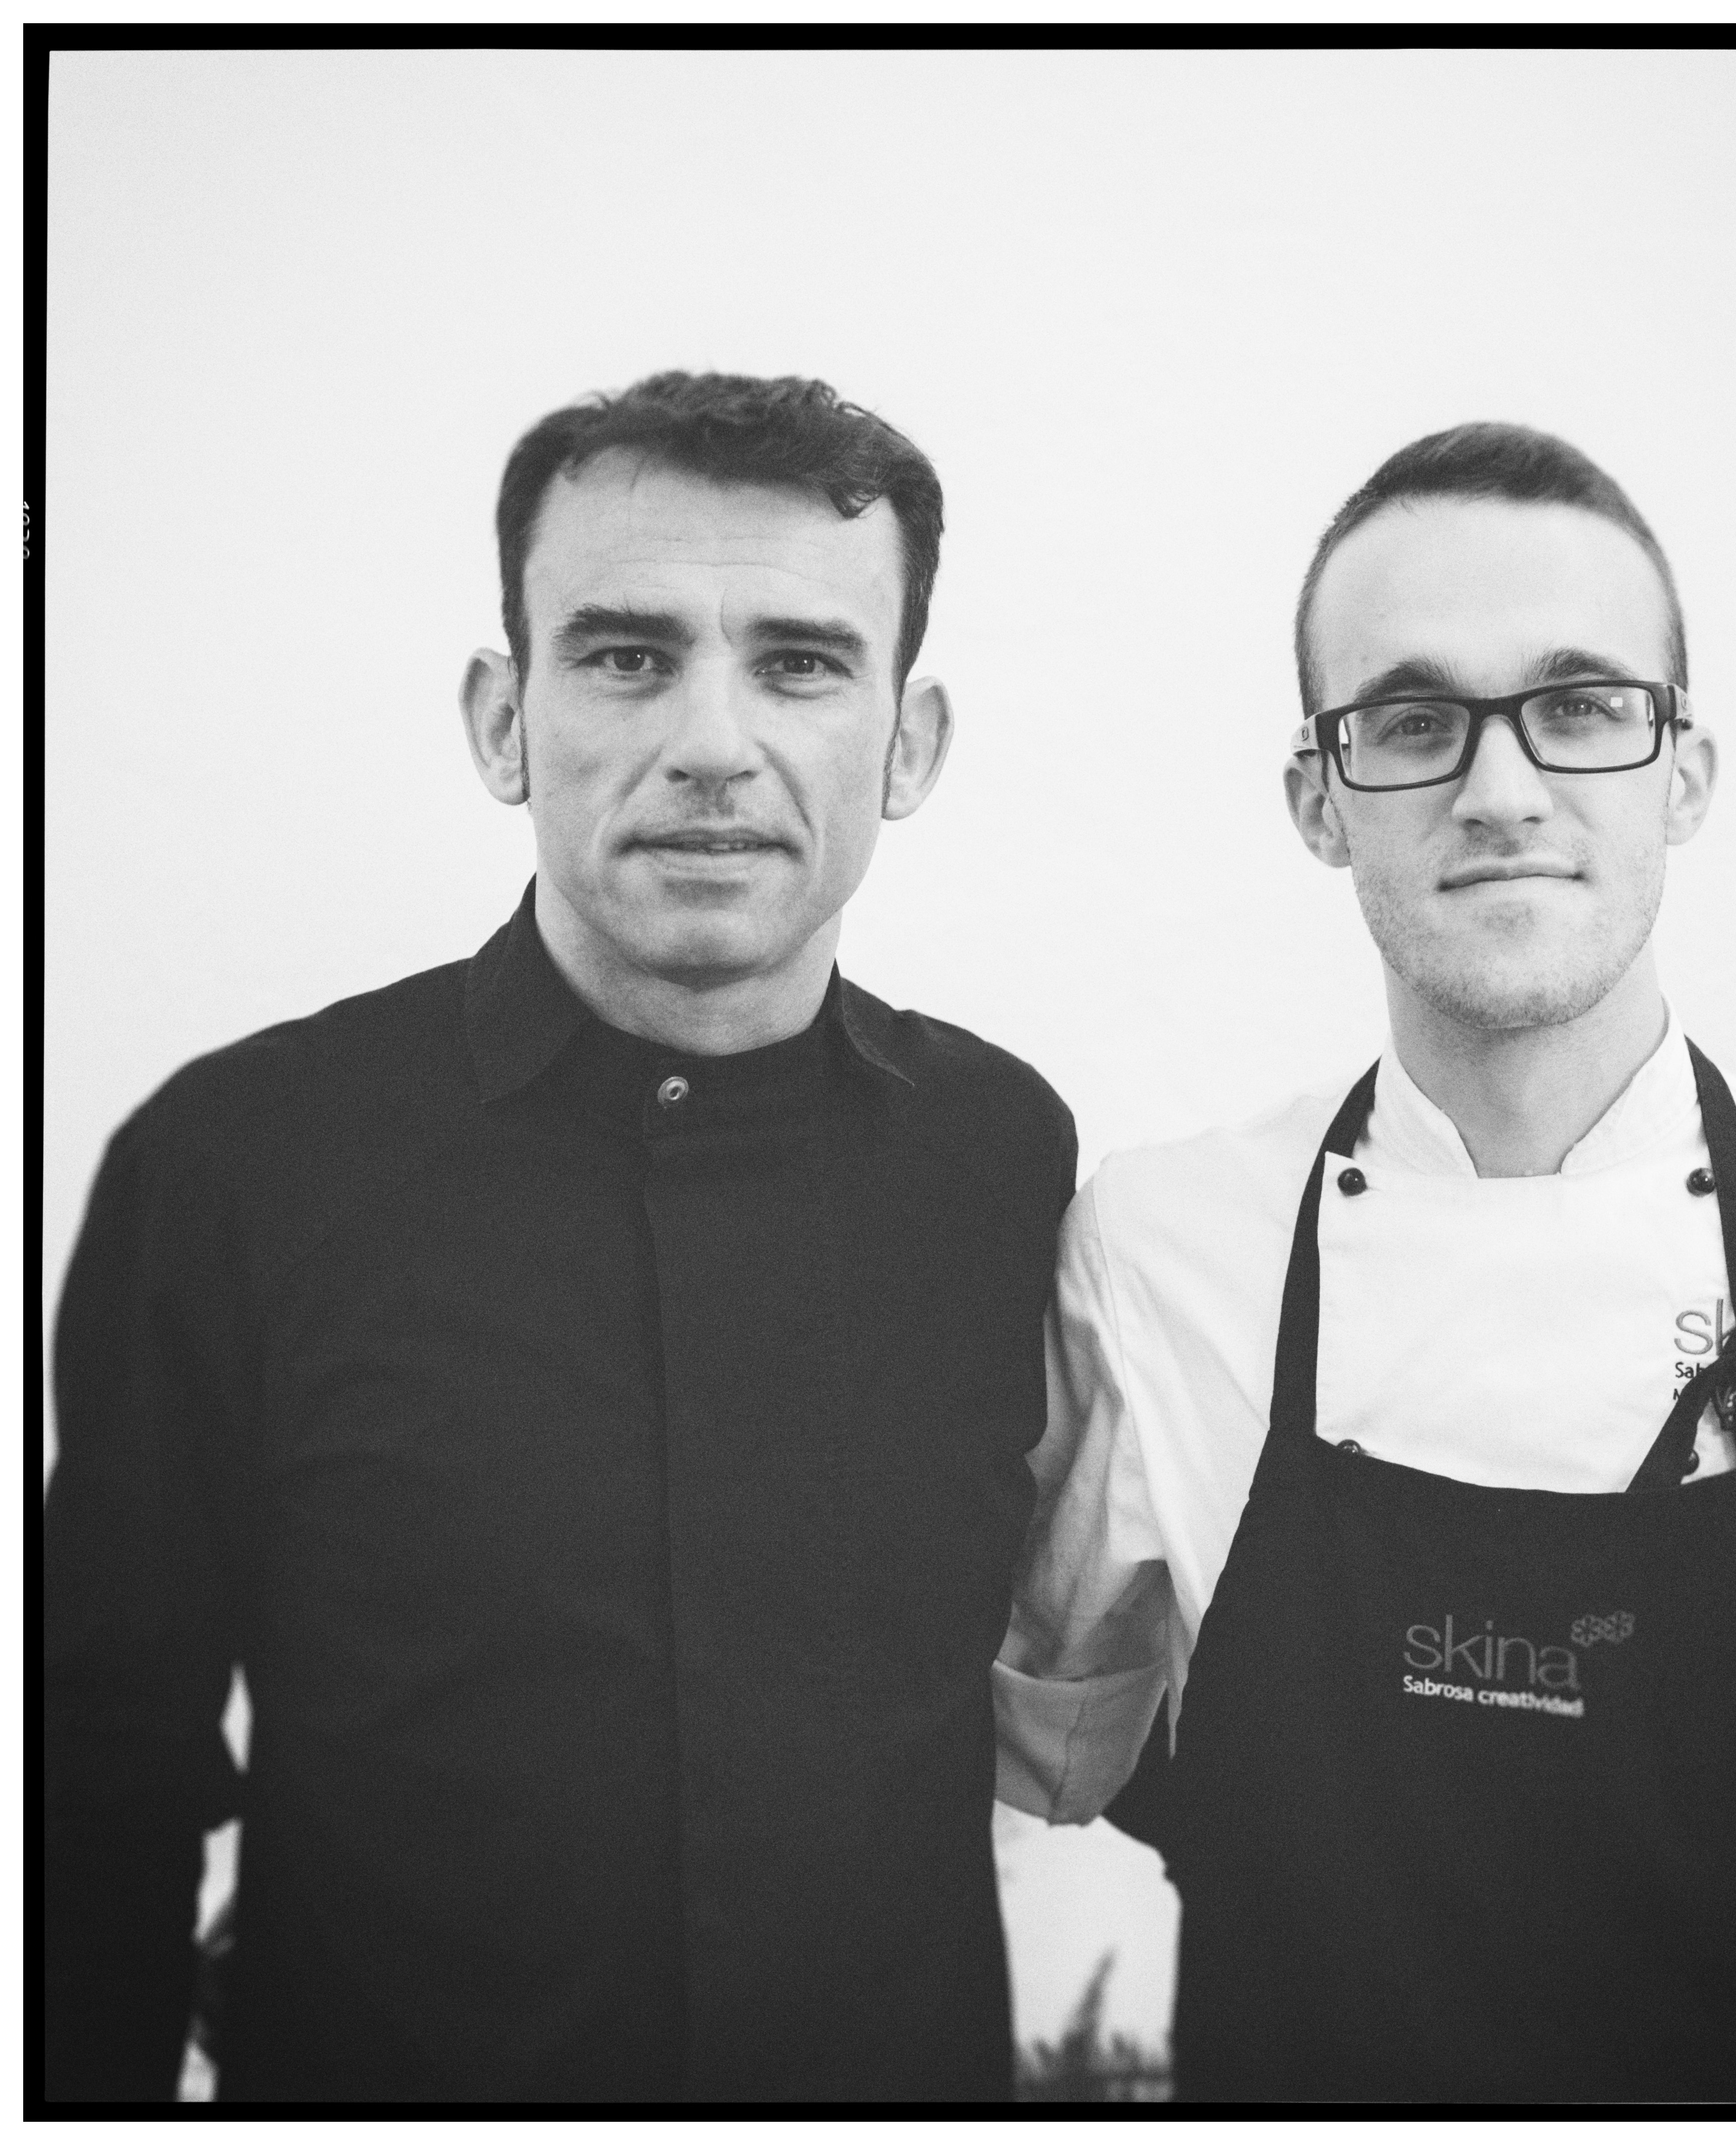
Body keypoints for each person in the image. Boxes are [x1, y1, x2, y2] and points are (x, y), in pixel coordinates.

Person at [994, 424, 1736, 2103]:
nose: (1500, 789)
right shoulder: (1155, 1255)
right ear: (1315, 799)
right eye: (1410, 720)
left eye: (1579, 707)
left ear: (1683, 774)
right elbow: (1059, 1749)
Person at [46, 369, 1075, 2103]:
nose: (712, 742)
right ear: (500, 718)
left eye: (801, 663)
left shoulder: (1001, 1158)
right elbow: (93, 1785)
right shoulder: (233, 1167)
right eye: (625, 655)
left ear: (908, 745)